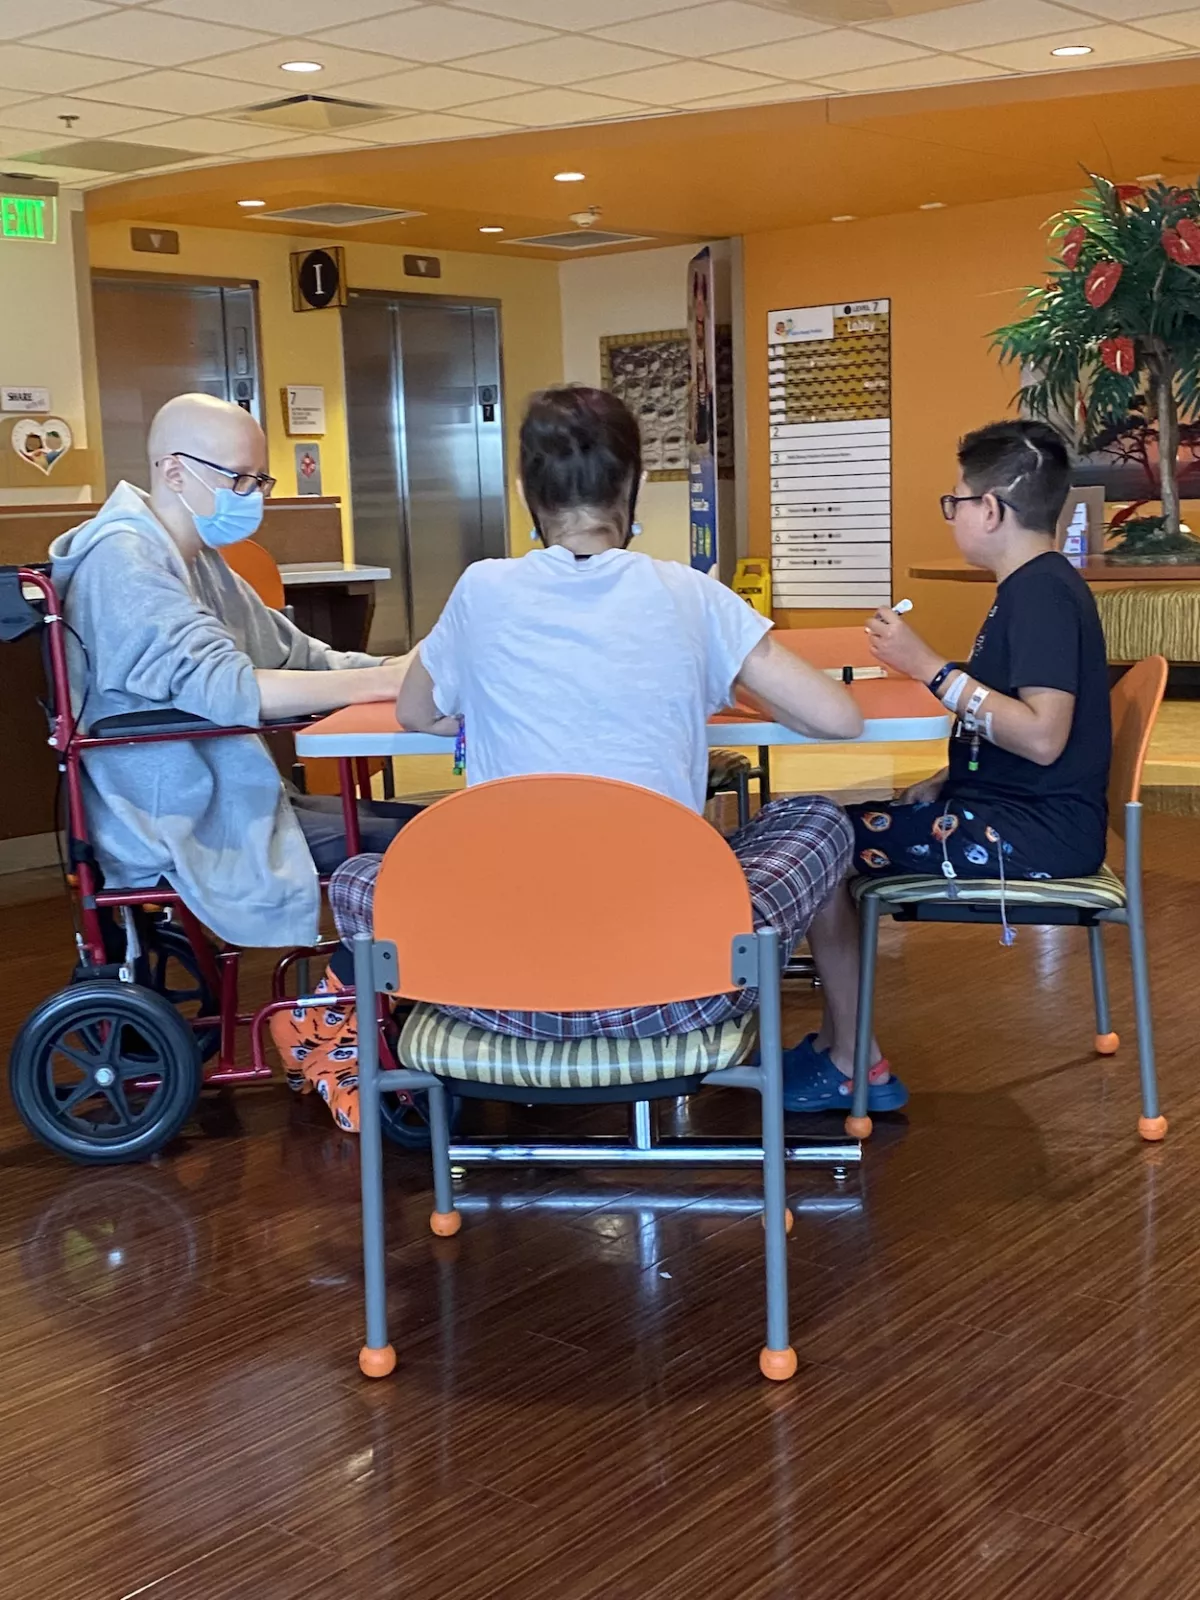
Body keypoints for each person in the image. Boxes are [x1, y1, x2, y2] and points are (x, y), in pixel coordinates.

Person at [321, 384, 863, 1131]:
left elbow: (417, 712)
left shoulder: (481, 591)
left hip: (494, 987)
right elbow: (838, 716)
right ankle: (851, 1057)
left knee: (363, 876)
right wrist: (721, 683)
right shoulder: (692, 596)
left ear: (524, 493)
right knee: (819, 821)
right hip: (680, 987)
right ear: (632, 485)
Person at [787, 418, 1112, 1113]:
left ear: (990, 509)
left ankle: (852, 1063)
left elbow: (1043, 736)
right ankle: (842, 1045)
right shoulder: (1035, 587)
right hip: (1020, 817)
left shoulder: (1041, 594)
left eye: (955, 501)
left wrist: (929, 668)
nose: (952, 513)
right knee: (821, 829)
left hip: (1031, 835)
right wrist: (946, 779)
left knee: (818, 845)